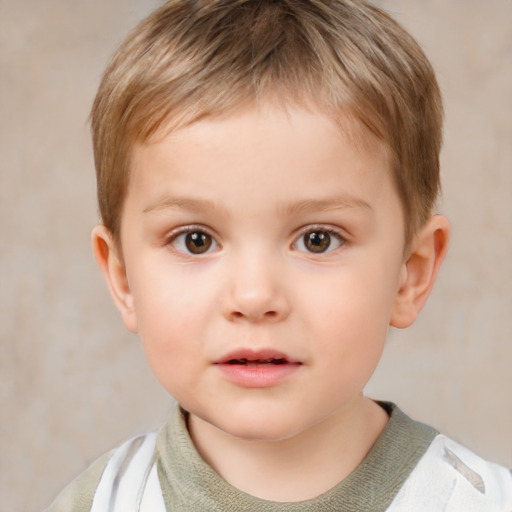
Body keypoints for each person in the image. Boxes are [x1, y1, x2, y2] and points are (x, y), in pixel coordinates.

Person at [45, 0, 512, 510]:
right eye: (195, 239)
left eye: (317, 239)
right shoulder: (100, 503)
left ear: (410, 275)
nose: (254, 296)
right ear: (123, 278)